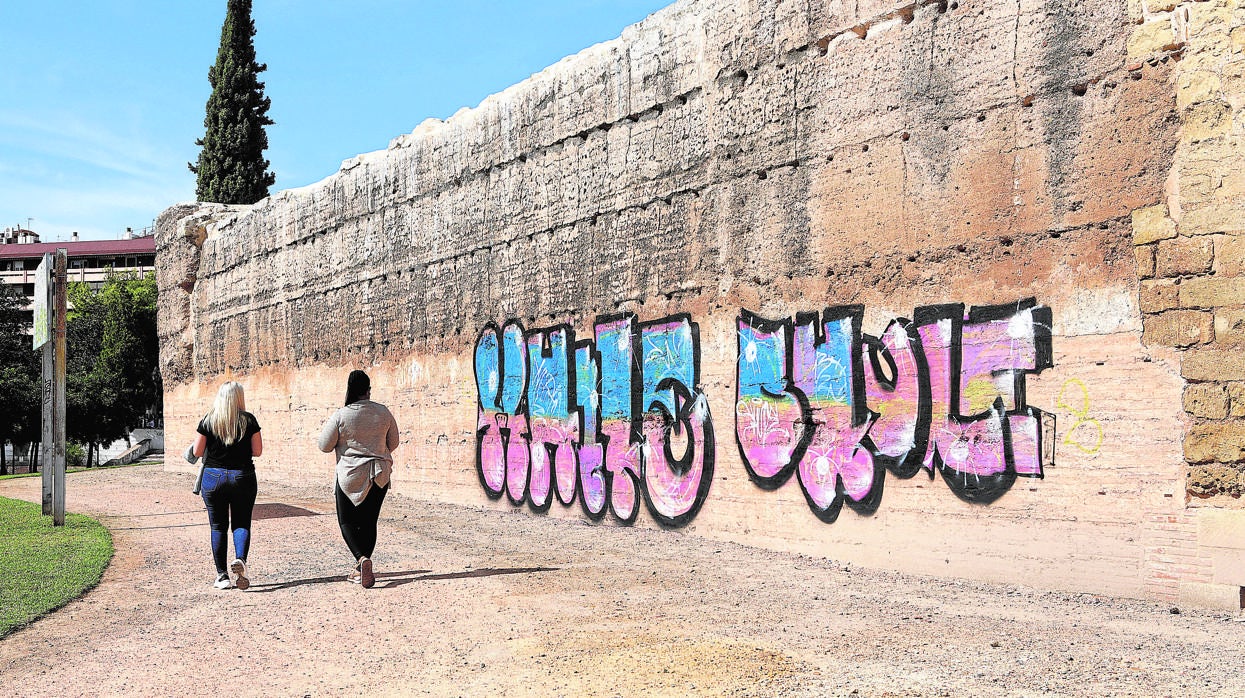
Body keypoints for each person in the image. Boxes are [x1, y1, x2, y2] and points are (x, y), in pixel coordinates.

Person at [318, 370, 400, 589]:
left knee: (347, 521)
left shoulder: (341, 415)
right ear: (368, 390)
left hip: (351, 474)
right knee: (369, 522)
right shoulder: (383, 412)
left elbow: (324, 445)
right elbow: (394, 443)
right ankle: (361, 567)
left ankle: (361, 559)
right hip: (379, 473)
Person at [193, 381, 263, 590]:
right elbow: (258, 451)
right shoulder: (249, 420)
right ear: (239, 398)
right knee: (241, 523)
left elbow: (197, 451)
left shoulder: (208, 419)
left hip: (213, 476)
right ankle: (240, 559)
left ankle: (222, 576)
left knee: (218, 526)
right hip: (242, 476)